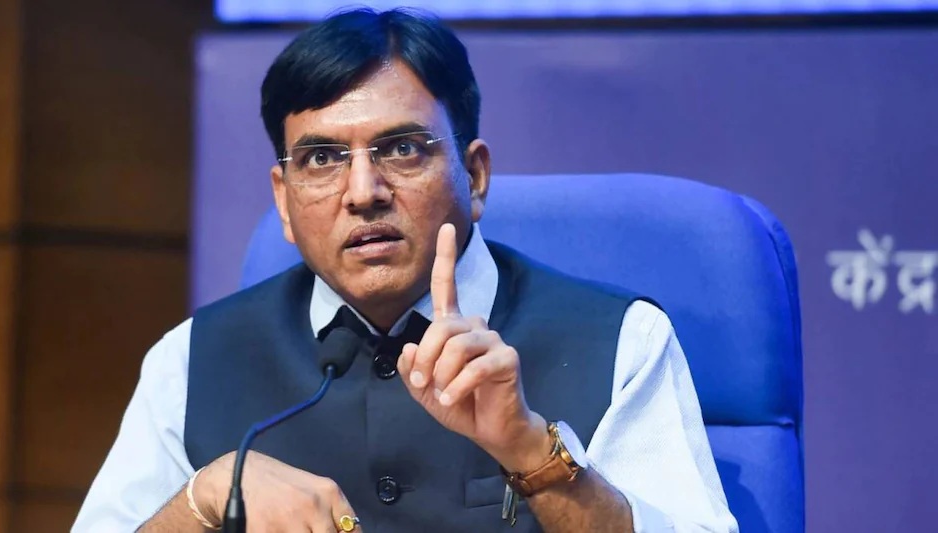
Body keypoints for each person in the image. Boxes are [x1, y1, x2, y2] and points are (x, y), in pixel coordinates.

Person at [73, 7, 738, 533]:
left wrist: (535, 454)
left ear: (474, 176)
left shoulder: (622, 340)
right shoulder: (192, 359)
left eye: (401, 148)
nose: (363, 191)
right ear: (283, 198)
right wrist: (206, 497)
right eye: (322, 159)